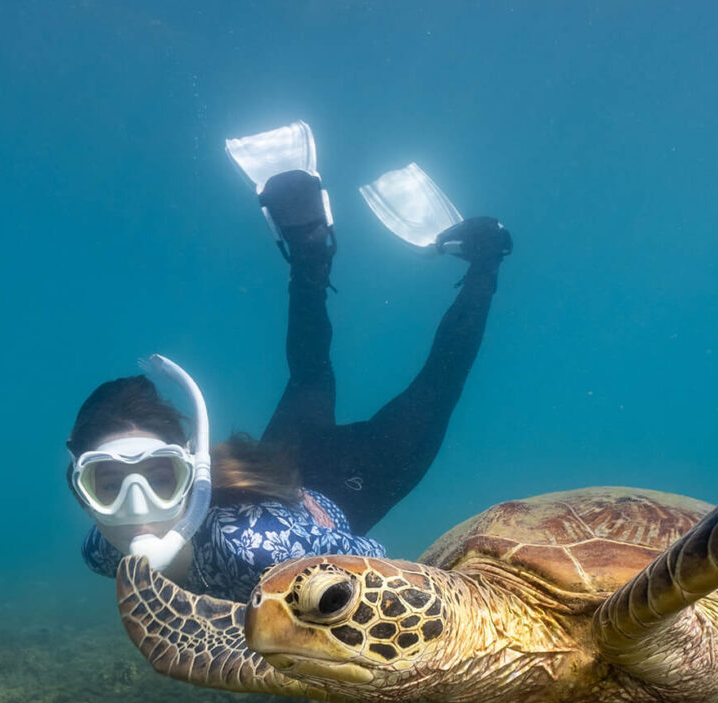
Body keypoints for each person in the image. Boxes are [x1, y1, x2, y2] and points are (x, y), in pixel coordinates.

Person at [69, 122, 513, 604]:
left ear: (192, 472)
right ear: (81, 495)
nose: (137, 511)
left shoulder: (260, 550)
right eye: (106, 486)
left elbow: (378, 567)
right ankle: (310, 251)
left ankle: (480, 260)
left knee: (433, 386)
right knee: (316, 375)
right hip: (275, 464)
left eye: (161, 477)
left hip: (350, 484)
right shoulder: (101, 551)